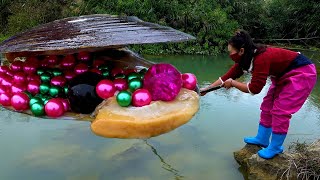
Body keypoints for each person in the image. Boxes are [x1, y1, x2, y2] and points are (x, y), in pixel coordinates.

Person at [200, 30, 317, 159]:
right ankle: (262, 138)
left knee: (280, 110)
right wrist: (208, 89)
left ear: (241, 51)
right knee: (267, 105)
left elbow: (254, 89)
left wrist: (233, 83)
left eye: (231, 52)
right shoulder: (246, 59)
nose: (230, 55)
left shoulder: (261, 58)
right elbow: (225, 78)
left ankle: (276, 147)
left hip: (301, 73)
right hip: (282, 75)